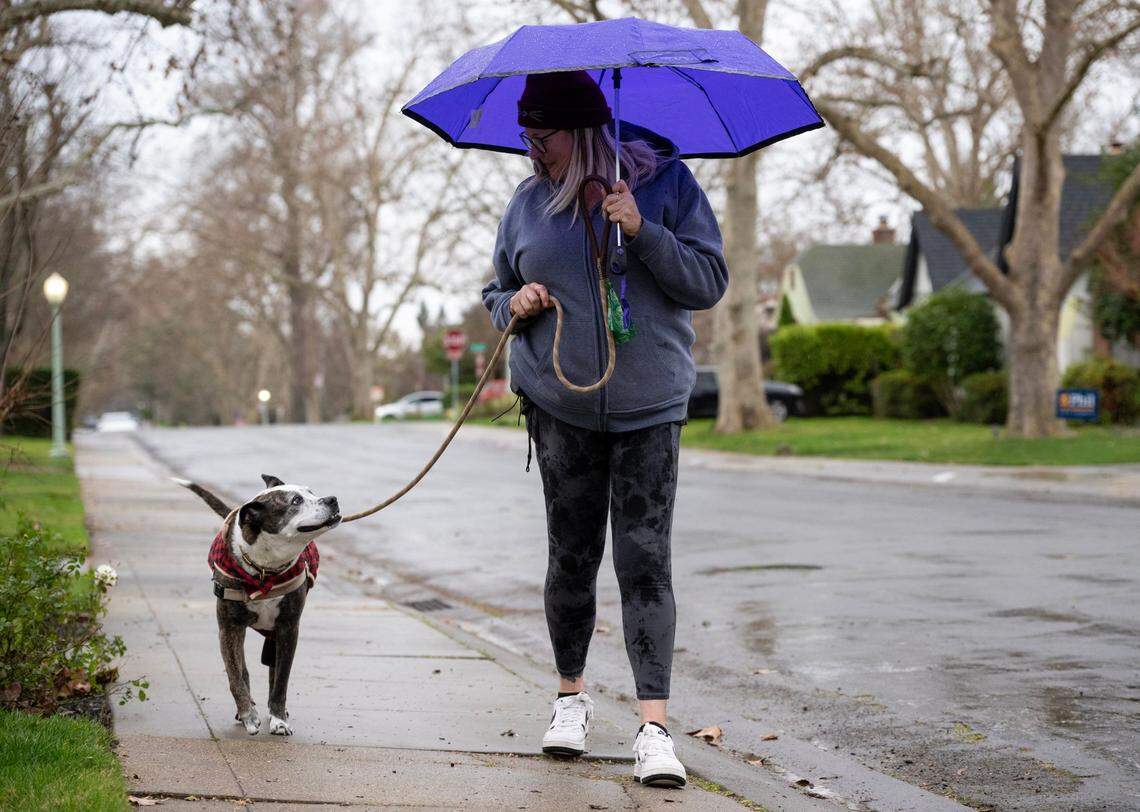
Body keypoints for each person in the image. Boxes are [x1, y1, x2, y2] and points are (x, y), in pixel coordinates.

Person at [481, 70, 728, 789]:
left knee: (644, 562)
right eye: (525, 136)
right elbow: (495, 290)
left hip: (649, 405)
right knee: (571, 557)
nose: (532, 150)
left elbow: (708, 283)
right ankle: (569, 702)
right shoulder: (527, 205)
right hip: (560, 407)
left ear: (584, 132)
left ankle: (653, 728)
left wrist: (642, 230)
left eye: (544, 136)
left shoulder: (666, 186)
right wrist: (515, 303)